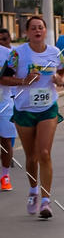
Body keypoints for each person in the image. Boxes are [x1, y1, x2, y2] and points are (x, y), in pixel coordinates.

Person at [0, 15, 64, 218]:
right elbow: (3, 77)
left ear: (45, 31)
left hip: (48, 108)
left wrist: (59, 79)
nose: (37, 31)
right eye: (33, 28)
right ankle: (33, 190)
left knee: (44, 152)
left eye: (41, 27)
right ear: (27, 32)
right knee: (31, 157)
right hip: (24, 109)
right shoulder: (17, 54)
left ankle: (46, 201)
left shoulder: (56, 53)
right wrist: (23, 80)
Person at [0, 27, 16, 190]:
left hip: (5, 102)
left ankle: (5, 176)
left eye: (5, 39)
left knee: (6, 139)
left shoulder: (12, 55)